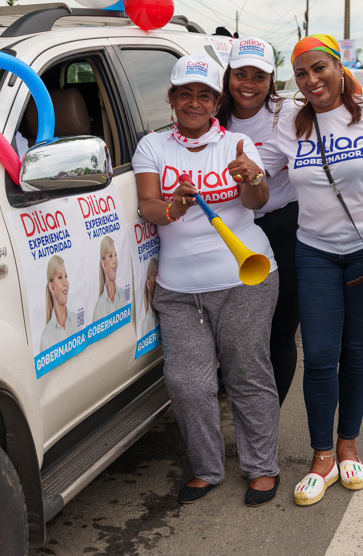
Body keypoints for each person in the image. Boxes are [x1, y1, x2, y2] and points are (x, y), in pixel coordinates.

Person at [258, 34, 363, 508]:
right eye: (302, 73)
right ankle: (322, 457)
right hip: (313, 251)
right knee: (319, 354)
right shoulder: (290, 120)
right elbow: (264, 171)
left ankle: (349, 444)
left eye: (319, 69)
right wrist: (242, 169)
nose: (312, 80)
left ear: (338, 67)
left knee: (356, 350)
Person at [132, 54, 282, 507]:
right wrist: (174, 206)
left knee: (246, 374)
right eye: (185, 94)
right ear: (172, 99)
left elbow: (256, 201)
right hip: (179, 291)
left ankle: (261, 468)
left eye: (204, 95)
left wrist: (252, 177)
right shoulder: (152, 147)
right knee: (187, 382)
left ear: (216, 101)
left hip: (245, 277)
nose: (194, 103)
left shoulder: (237, 144)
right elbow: (149, 208)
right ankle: (207, 468)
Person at [216, 36, 301, 407]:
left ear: (272, 79)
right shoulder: (209, 111)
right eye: (240, 74)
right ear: (228, 76)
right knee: (233, 333)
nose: (248, 84)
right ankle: (232, 402)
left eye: (259, 76)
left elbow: (342, 107)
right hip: (226, 232)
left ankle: (267, 421)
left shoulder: (292, 112)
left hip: (282, 227)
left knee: (279, 332)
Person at [40, 255, 78, 352]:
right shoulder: (46, 336)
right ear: (52, 288)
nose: (66, 283)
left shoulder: (76, 321)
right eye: (60, 277)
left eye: (66, 276)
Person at [138, 258, 159, 339]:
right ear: (148, 284)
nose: (157, 279)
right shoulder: (145, 324)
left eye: (158, 274)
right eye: (154, 275)